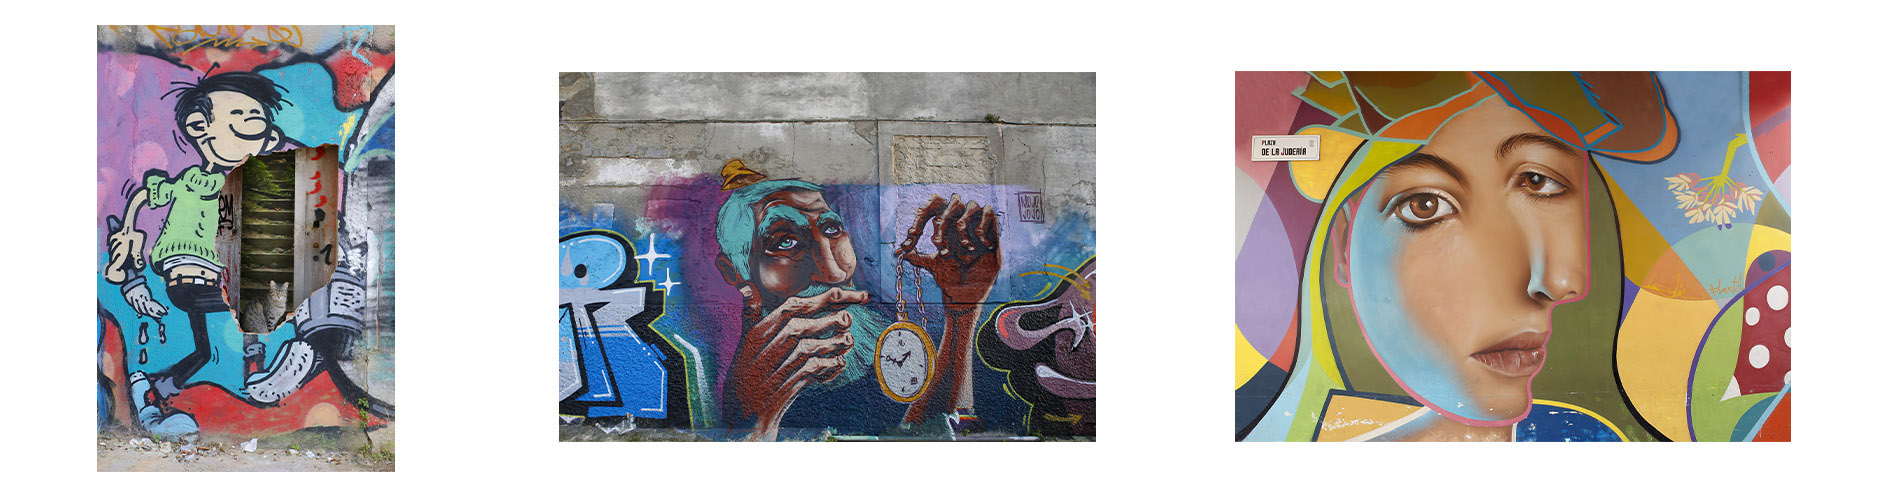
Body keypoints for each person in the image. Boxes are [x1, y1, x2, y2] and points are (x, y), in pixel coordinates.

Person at [1245, 72, 1676, 442]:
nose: (1555, 281)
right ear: (1342, 245)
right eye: (1425, 206)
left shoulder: (1590, 437)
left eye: (1537, 182)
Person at [714, 177, 999, 441]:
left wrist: (962, 314)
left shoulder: (892, 345)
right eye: (785, 242)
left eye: (831, 229)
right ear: (734, 272)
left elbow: (924, 438)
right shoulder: (735, 391)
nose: (834, 273)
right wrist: (755, 426)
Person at [103, 71, 289, 401]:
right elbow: (146, 195)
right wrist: (128, 234)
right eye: (238, 115)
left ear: (268, 139)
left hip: (200, 285)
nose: (248, 125)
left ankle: (158, 388)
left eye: (255, 119)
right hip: (191, 282)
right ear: (199, 127)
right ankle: (256, 367)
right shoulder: (193, 181)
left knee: (203, 351)